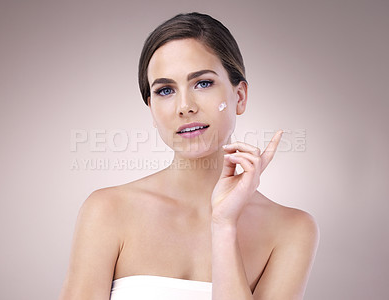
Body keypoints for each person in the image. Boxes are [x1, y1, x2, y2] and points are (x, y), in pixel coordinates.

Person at [59, 12, 319, 300]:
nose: (184, 106)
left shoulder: (292, 230)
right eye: (166, 90)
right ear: (152, 110)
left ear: (240, 96)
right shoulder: (106, 211)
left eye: (203, 83)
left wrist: (224, 225)